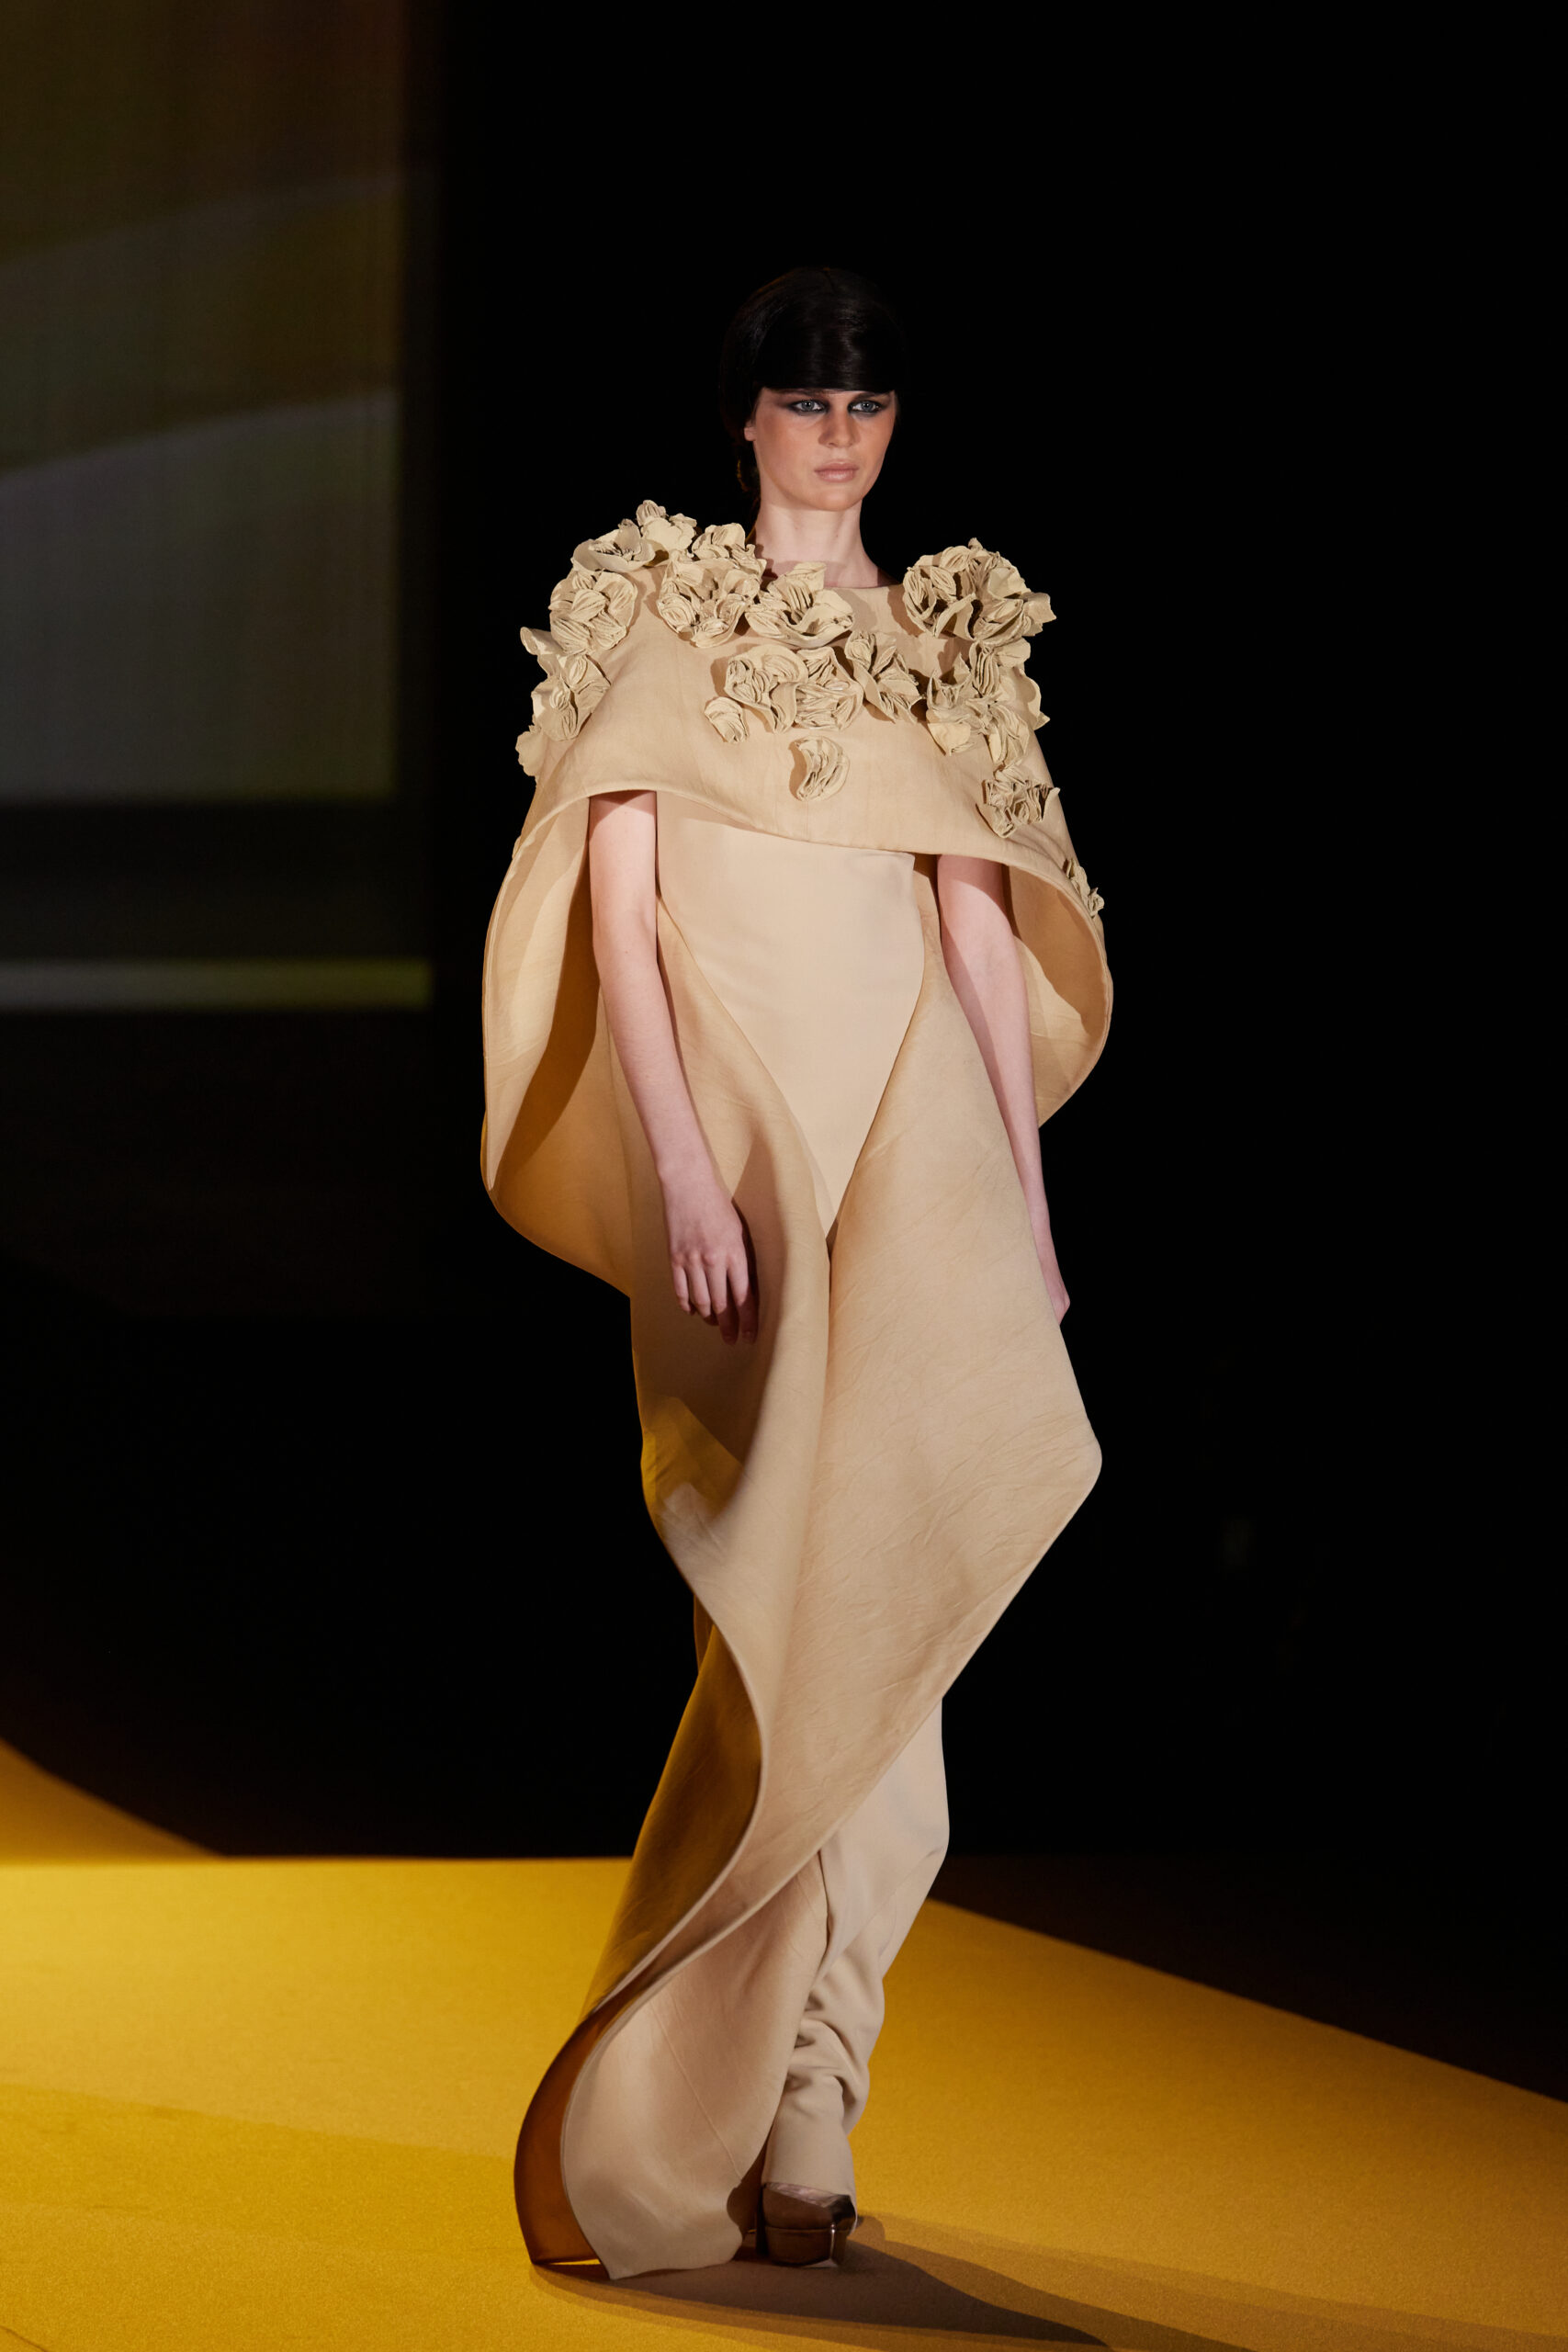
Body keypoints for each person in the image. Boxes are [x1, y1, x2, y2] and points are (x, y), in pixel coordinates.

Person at [482, 266, 1110, 2280]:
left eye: (866, 405)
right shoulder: (660, 611)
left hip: (906, 1163)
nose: (837, 437)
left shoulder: (941, 640)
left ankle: (809, 2105)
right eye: (806, 402)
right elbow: (623, 907)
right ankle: (720, 2109)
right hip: (741, 1167)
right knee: (777, 1629)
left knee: (895, 1658)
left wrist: (1023, 1211)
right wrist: (679, 1160)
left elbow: (973, 930)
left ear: (891, 426)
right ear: (746, 416)